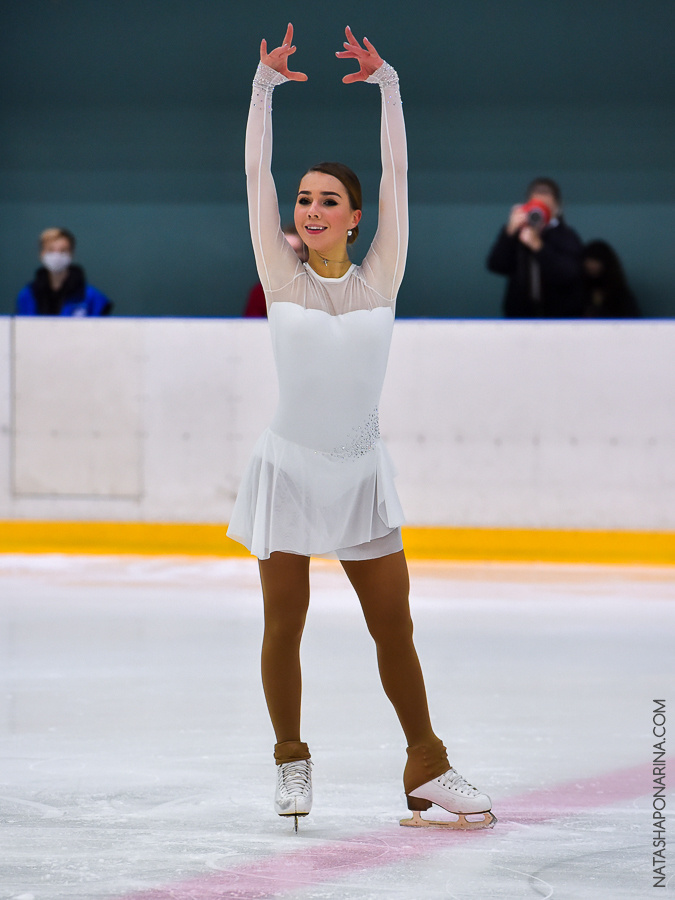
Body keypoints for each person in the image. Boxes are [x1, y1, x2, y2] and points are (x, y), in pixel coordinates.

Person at [227, 24, 495, 832]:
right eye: (303, 199)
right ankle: (289, 760)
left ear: (353, 217)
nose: (309, 209)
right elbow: (252, 174)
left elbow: (399, 174)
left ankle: (427, 766)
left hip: (358, 475)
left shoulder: (382, 274)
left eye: (325, 201)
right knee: (285, 624)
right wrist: (261, 89)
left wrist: (390, 87)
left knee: (394, 627)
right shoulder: (281, 277)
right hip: (289, 469)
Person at [486, 178, 585, 317]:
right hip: (520, 317)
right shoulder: (517, 233)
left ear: (557, 208)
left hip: (560, 318)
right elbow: (496, 265)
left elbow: (569, 274)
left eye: (546, 208)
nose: (540, 213)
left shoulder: (566, 235)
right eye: (537, 207)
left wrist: (538, 246)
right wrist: (510, 231)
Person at [16, 228, 112, 317]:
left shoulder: (91, 297)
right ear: (41, 254)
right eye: (50, 250)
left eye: (63, 251)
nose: (56, 256)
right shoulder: (27, 295)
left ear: (72, 254)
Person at [243, 224, 307, 317]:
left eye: (295, 251)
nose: (288, 256)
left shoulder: (319, 290)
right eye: (283, 250)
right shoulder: (261, 292)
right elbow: (251, 327)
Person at [581, 239, 641, 318]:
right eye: (589, 260)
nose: (592, 265)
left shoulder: (620, 295)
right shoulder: (577, 292)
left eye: (596, 260)